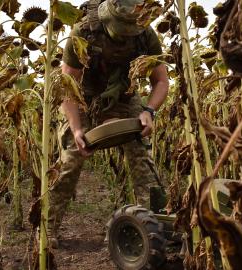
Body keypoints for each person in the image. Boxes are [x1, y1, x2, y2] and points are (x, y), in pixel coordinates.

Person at [48, 0, 169, 248]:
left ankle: (152, 228)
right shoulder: (83, 33)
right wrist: (77, 127)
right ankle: (47, 229)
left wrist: (148, 111)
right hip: (83, 96)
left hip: (125, 96)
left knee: (142, 158)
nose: (125, 36)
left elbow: (161, 81)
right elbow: (66, 87)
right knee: (70, 161)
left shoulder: (146, 35)